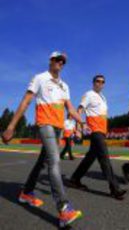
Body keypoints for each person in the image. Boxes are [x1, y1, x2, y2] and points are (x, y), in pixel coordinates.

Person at [1, 51, 83, 228]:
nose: (60, 63)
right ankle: (64, 208)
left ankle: (26, 193)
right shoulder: (40, 78)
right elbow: (26, 101)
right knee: (54, 162)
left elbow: (70, 108)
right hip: (45, 124)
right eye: (57, 59)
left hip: (59, 127)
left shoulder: (64, 86)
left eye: (63, 61)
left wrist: (81, 122)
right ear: (50, 61)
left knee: (42, 162)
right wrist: (11, 126)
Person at [66, 75, 127, 200]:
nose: (100, 83)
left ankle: (74, 179)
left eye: (103, 82)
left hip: (102, 131)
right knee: (105, 159)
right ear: (93, 83)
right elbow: (79, 109)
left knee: (90, 158)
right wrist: (78, 128)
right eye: (98, 81)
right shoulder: (89, 94)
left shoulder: (103, 98)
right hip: (94, 131)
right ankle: (114, 188)